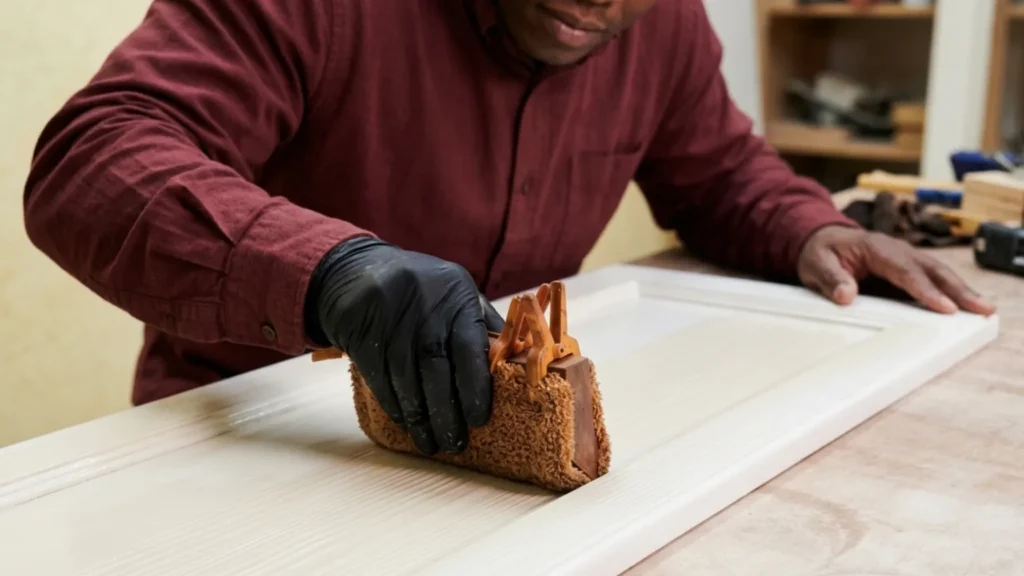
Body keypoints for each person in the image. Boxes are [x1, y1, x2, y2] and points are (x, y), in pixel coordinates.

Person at [23, 0, 994, 457]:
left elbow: (718, 171)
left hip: (486, 462)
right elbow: (93, 156)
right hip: (250, 442)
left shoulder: (664, 25)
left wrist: (805, 229)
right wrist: (331, 271)